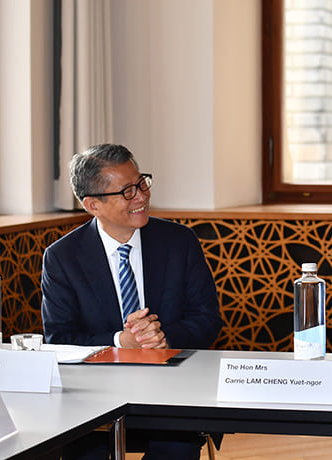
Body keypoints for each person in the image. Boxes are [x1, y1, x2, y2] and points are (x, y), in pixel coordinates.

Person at [41, 143, 223, 460]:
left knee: (176, 449)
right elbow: (59, 339)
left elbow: (207, 320)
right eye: (127, 191)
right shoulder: (62, 257)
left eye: (141, 183)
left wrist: (164, 338)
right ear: (92, 205)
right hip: (92, 397)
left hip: (172, 390)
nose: (141, 196)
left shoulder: (179, 242)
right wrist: (120, 342)